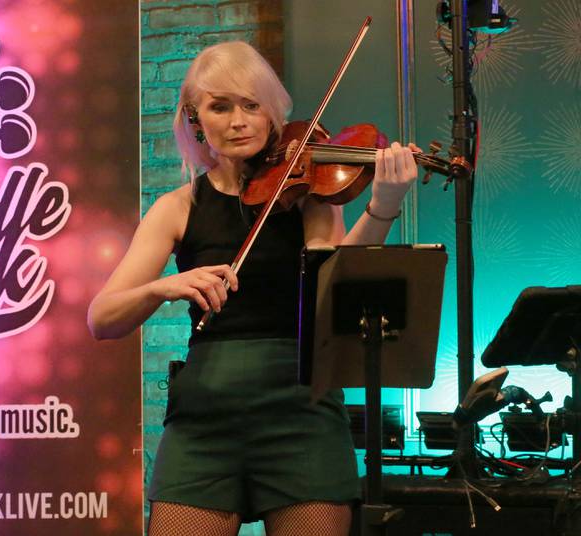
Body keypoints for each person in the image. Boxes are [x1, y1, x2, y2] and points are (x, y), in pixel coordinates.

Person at [88, 41, 419, 536]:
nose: (238, 120)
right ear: (195, 118)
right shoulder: (177, 207)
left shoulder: (308, 189)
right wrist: (166, 286)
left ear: (272, 114)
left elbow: (338, 281)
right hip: (204, 419)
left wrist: (384, 206)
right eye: (220, 106)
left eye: (252, 105)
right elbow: (102, 318)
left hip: (300, 409)